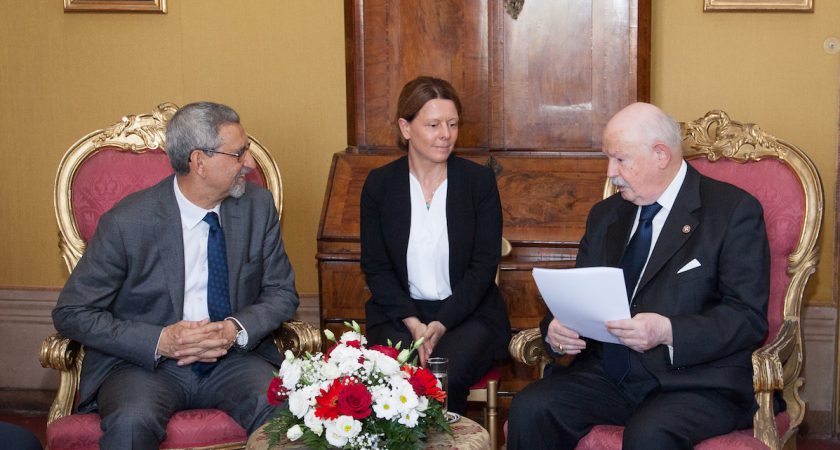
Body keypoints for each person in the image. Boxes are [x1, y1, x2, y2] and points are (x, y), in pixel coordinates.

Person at [507, 102, 770, 449]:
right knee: (531, 407)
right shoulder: (606, 215)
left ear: (661, 154)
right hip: (609, 374)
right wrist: (556, 330)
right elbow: (579, 293)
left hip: (694, 382)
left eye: (619, 159)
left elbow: (747, 317)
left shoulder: (732, 211)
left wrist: (667, 330)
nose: (610, 171)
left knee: (649, 435)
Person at [52, 102, 299, 449]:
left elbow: (282, 293)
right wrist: (161, 340)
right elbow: (72, 313)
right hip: (143, 367)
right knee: (131, 422)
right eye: (239, 153)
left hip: (233, 361)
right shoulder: (127, 222)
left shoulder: (257, 207)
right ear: (199, 162)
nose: (250, 163)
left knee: (290, 410)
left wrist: (234, 330)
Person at [360, 76, 511, 415]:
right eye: (433, 124)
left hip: (466, 315)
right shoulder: (380, 185)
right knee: (390, 377)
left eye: (452, 124)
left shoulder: (478, 182)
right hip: (399, 314)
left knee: (442, 376)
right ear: (406, 127)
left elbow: (483, 267)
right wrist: (414, 323)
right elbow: (376, 267)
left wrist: (440, 324)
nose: (446, 134)